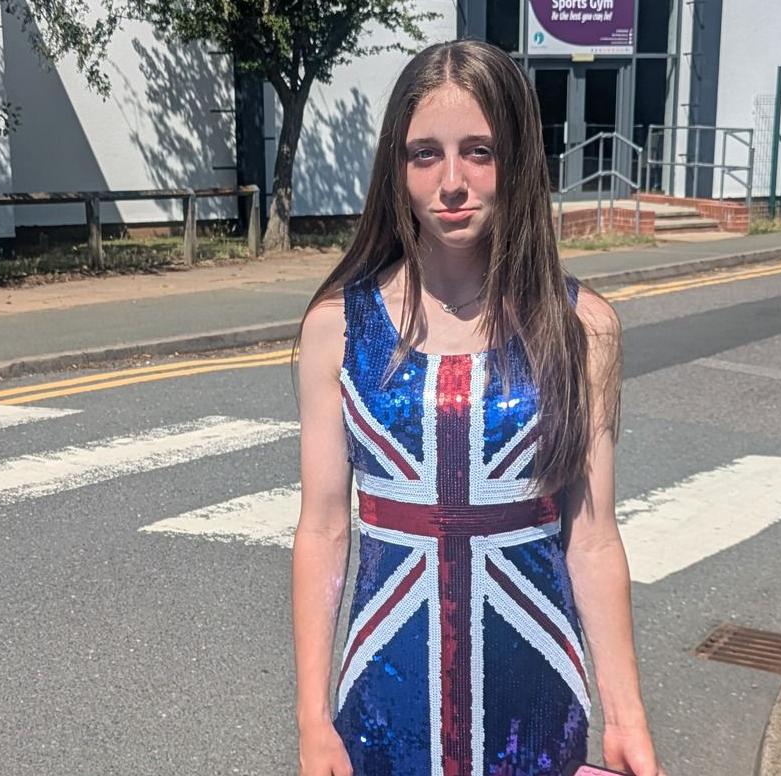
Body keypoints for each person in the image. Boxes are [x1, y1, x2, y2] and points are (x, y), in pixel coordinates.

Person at [291, 39, 663, 776]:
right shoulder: (338, 326)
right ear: (396, 168)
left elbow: (591, 538)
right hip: (382, 703)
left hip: (537, 701)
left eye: (480, 152)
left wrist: (626, 717)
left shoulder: (581, 328)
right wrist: (311, 719)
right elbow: (324, 529)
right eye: (424, 154)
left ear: (517, 160)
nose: (452, 182)